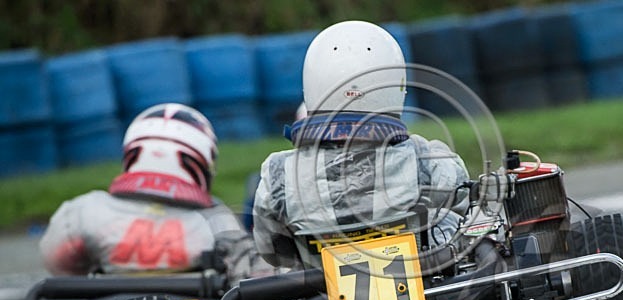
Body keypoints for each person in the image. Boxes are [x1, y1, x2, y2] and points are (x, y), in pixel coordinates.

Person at [252, 20, 470, 270]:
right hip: (429, 295)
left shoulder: (278, 176)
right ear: (395, 84)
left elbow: (272, 251)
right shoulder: (432, 162)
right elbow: (464, 212)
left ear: (312, 86)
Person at [40, 103, 274, 285]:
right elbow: (253, 278)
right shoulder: (217, 219)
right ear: (199, 162)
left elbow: (59, 269)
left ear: (133, 154)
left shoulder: (85, 211)